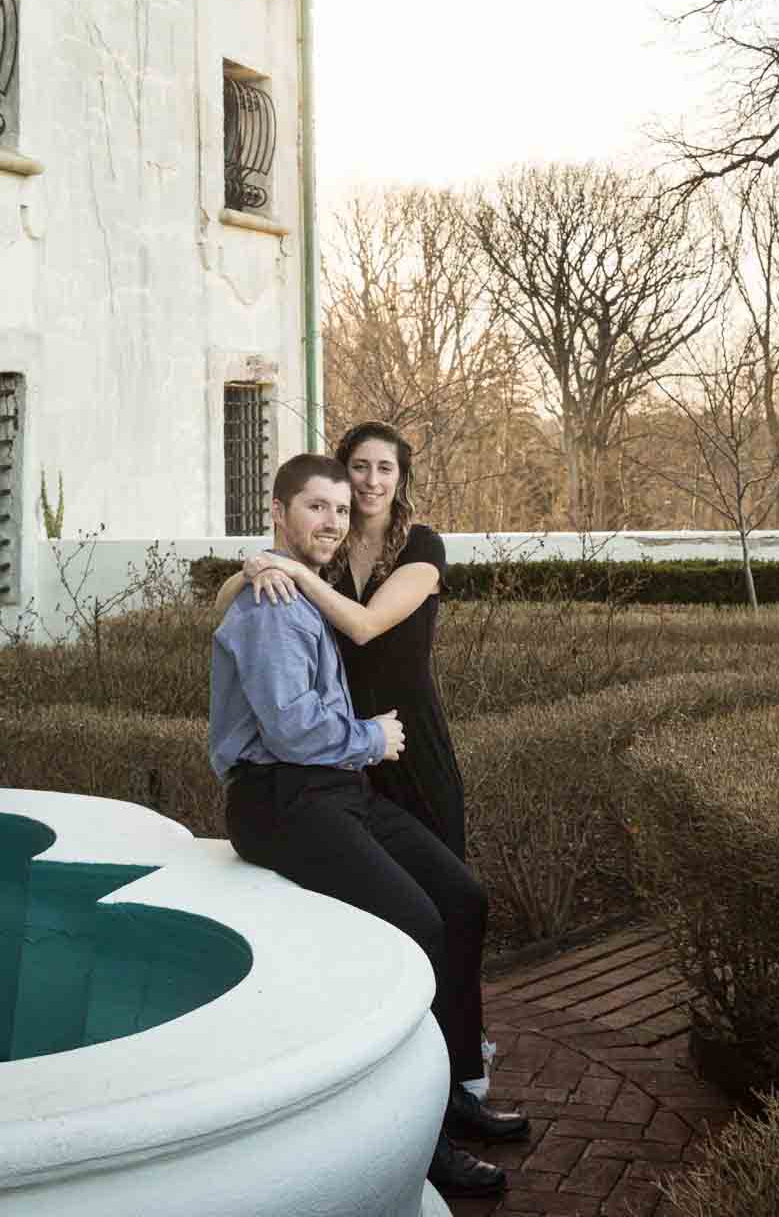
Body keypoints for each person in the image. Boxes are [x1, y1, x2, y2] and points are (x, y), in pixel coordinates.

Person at [209, 453, 527, 1200]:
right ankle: (420, 1141)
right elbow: (289, 732)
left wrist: (357, 747)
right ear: (282, 513)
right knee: (415, 922)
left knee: (460, 901)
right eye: (314, 508)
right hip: (281, 798)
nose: (330, 522)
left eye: (340, 511)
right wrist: (370, 739)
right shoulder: (269, 607)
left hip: (334, 788)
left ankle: (448, 1092)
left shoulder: (299, 592)